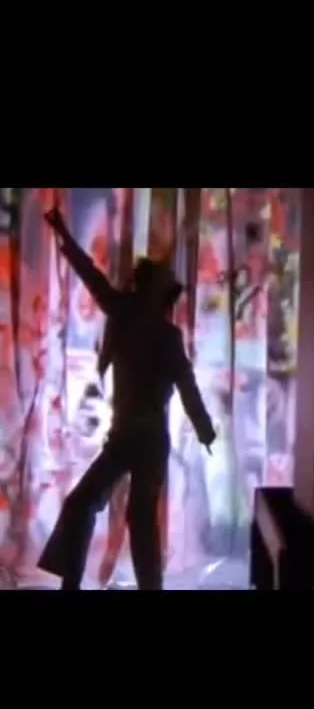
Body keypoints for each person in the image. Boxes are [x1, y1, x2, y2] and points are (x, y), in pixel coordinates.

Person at [38, 206, 217, 590]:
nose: (138, 288)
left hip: (148, 440)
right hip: (125, 437)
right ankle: (71, 583)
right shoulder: (126, 313)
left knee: (138, 520)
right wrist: (64, 235)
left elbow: (188, 387)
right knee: (82, 504)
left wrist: (204, 430)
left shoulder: (163, 335)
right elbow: (90, 275)